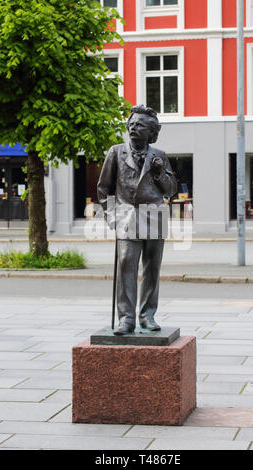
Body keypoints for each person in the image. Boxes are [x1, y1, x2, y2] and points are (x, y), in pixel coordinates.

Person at [97, 105, 177, 335]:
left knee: (152, 270)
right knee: (126, 267)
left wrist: (160, 173)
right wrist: (113, 217)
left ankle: (148, 315)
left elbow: (170, 190)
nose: (133, 127)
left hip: (155, 218)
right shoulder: (116, 152)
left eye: (140, 125)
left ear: (151, 131)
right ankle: (127, 318)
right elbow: (104, 189)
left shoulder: (159, 156)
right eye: (131, 124)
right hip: (127, 219)